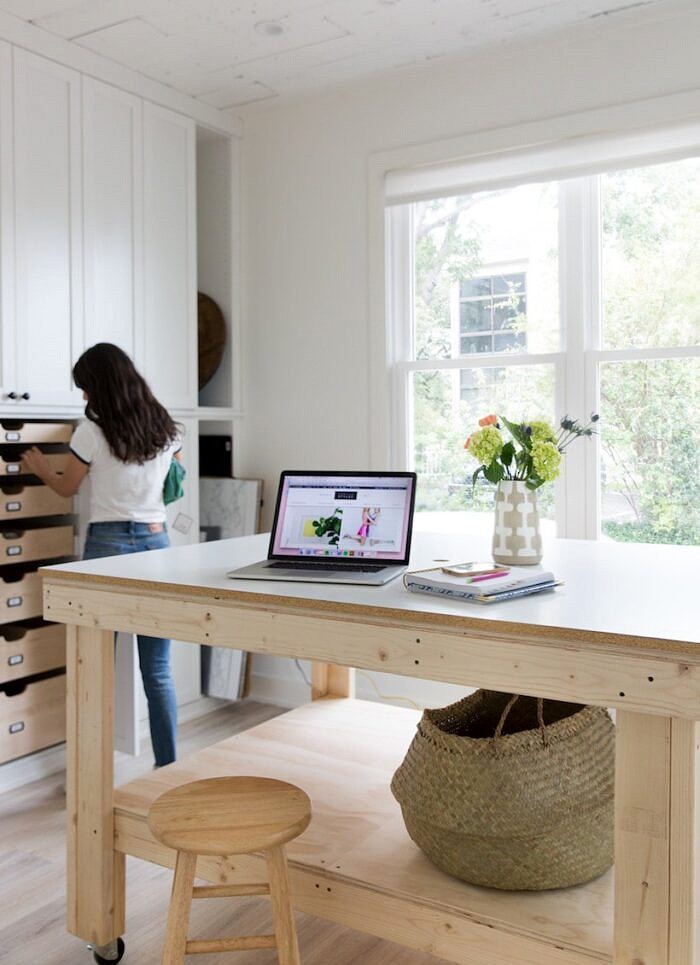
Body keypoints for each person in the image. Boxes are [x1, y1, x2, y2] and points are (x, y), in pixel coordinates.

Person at [22, 343, 182, 767]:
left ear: (99, 386)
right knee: (158, 670)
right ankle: (167, 768)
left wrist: (41, 468)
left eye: (86, 387)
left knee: (95, 667)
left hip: (107, 549)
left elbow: (66, 488)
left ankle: (91, 772)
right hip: (157, 544)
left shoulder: (91, 432)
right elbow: (174, 473)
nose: (83, 396)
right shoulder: (165, 427)